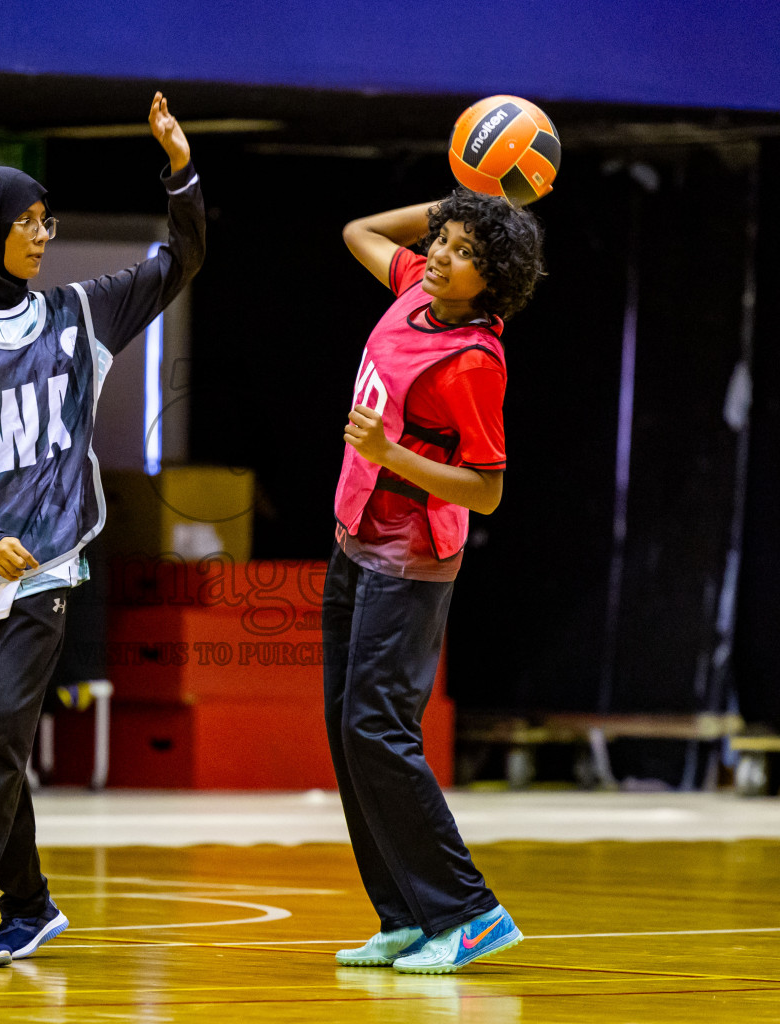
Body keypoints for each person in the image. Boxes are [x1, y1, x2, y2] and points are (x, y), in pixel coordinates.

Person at [0, 92, 203, 967]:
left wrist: (181, 169)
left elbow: (183, 258)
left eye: (47, 219)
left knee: (0, 741)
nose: (42, 235)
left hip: (47, 562)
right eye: (26, 222)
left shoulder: (82, 314)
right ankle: (29, 903)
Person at [325, 187, 544, 974]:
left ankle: (469, 912)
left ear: (493, 281)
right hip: (355, 538)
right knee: (347, 733)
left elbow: (487, 488)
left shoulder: (475, 361)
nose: (443, 256)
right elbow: (357, 227)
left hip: (410, 557)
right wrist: (468, 202)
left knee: (377, 730)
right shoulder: (415, 283)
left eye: (464, 253)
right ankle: (404, 915)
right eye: (443, 241)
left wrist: (392, 455)